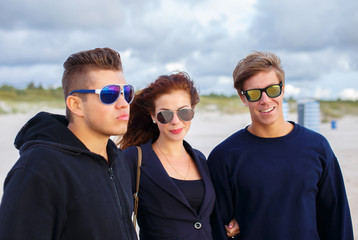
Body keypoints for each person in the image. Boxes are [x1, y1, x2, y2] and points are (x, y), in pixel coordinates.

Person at [208, 51, 354, 240]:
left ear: (283, 89)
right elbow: (218, 228)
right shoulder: (224, 157)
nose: (265, 100)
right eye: (254, 93)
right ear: (243, 98)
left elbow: (337, 220)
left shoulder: (317, 147)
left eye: (272, 90)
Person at [0, 48, 138, 240]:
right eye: (110, 94)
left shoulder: (117, 159)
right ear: (75, 105)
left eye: (127, 92)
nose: (123, 103)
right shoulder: (37, 170)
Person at [119, 72, 239, 239]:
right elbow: (116, 219)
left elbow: (211, 216)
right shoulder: (134, 158)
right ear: (154, 116)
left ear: (193, 111)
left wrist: (233, 222)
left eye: (184, 112)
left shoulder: (201, 159)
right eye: (165, 114)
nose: (175, 121)